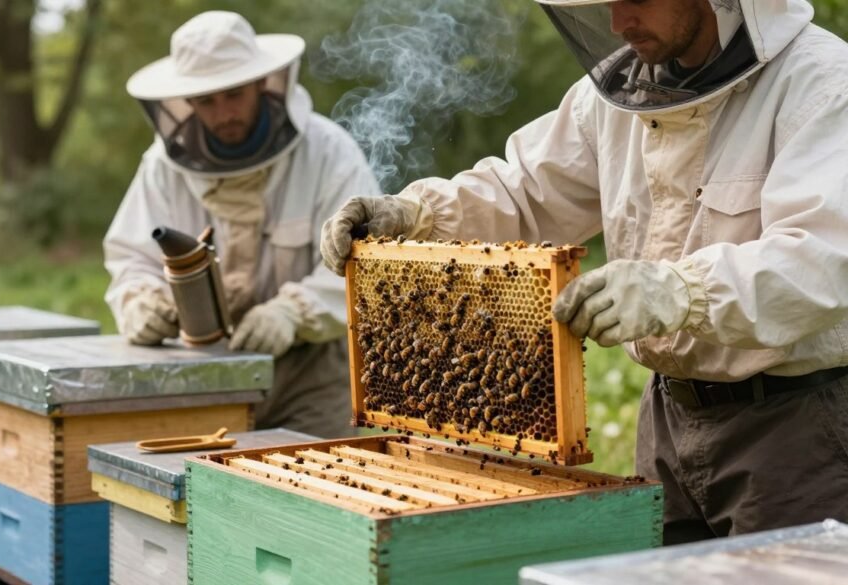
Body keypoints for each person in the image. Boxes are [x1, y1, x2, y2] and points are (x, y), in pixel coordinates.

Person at [321, 0, 848, 543]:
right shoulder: (617, 95)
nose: (619, 22)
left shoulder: (822, 84)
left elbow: (822, 257)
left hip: (794, 426)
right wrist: (420, 214)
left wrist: (682, 290)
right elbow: (524, 193)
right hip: (666, 416)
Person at [105, 11, 380, 438]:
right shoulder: (162, 168)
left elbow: (361, 259)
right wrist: (138, 301)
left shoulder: (328, 152)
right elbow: (131, 257)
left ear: (261, 83)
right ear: (187, 103)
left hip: (308, 377)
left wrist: (294, 312)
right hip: (198, 374)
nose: (223, 113)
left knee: (311, 498)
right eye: (207, 101)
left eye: (234, 94)